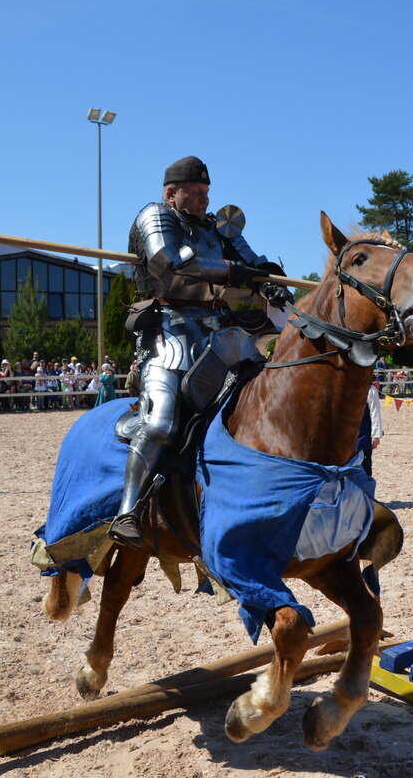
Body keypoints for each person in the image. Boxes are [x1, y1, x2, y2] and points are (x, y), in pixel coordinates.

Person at [108, 155, 293, 549]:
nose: (205, 200)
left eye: (207, 192)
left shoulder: (215, 227)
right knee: (160, 425)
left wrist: (269, 281)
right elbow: (169, 264)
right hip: (170, 331)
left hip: (220, 331)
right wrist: (231, 272)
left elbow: (251, 262)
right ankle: (128, 512)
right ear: (171, 192)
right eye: (197, 192)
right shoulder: (156, 216)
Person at [356, 383, 384, 477]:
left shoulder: (369, 388)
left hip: (363, 435)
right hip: (347, 437)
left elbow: (375, 412)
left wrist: (376, 435)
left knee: (365, 467)